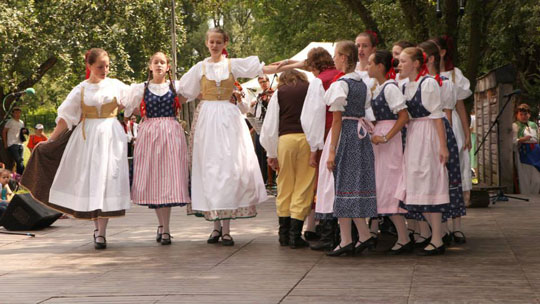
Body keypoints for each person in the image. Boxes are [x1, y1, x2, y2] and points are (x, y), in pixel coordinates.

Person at [178, 28, 284, 246]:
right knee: (210, 169)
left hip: (228, 117)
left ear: (225, 42)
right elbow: (183, 89)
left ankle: (226, 228)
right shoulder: (200, 67)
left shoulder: (232, 64)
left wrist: (291, 64)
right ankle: (215, 226)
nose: (215, 45)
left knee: (228, 168)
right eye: (211, 42)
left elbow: (263, 68)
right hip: (207, 117)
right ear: (207, 43)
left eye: (218, 42)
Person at [22, 48, 131, 250]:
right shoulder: (81, 89)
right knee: (94, 179)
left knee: (107, 180)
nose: (104, 70)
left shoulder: (116, 86)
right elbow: (66, 118)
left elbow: (133, 98)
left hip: (111, 135)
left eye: (107, 66)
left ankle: (102, 231)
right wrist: (51, 140)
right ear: (89, 66)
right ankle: (98, 230)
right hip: (88, 137)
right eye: (100, 66)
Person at [125, 51, 190, 245]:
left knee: (167, 179)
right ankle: (162, 227)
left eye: (163, 62)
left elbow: (192, 94)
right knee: (155, 179)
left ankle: (166, 228)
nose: (159, 65)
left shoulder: (176, 87)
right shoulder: (142, 89)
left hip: (170, 132)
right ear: (150, 66)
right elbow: (129, 109)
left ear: (168, 66)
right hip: (150, 133)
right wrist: (142, 112)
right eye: (156, 62)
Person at [395, 47, 449, 255]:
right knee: (416, 183)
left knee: (430, 182)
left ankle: (437, 238)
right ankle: (438, 234)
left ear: (416, 64)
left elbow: (437, 116)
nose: (399, 65)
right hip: (415, 135)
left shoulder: (428, 84)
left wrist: (442, 146)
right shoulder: (406, 85)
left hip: (428, 135)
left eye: (403, 61)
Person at [325, 40, 377, 257]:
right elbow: (367, 112)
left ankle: (350, 238)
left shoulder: (341, 85)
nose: (334, 59)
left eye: (336, 55)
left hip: (347, 135)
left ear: (344, 58)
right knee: (351, 187)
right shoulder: (362, 84)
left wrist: (331, 151)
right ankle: (359, 235)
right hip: (361, 137)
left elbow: (337, 121)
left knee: (343, 186)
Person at [260, 69, 315, 248]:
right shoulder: (310, 88)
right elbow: (315, 117)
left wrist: (271, 153)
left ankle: (283, 234)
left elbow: (271, 124)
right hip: (306, 139)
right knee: (303, 185)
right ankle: (295, 234)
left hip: (285, 140)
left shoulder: (279, 93)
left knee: (284, 184)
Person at [419, 40, 466, 245]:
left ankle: (455, 228)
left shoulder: (444, 82)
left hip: (443, 127)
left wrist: (445, 140)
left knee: (449, 176)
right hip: (426, 130)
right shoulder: (420, 81)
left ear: (429, 59)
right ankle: (441, 229)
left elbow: (447, 111)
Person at [367, 50, 411, 254]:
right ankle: (382, 231)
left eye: (370, 64)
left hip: (390, 142)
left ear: (380, 66)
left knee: (390, 186)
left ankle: (404, 237)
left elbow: (403, 116)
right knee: (381, 185)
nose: (367, 67)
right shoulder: (379, 88)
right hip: (381, 137)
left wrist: (386, 137)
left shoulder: (391, 88)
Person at [433, 36, 473, 222]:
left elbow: (460, 106)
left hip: (451, 122)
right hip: (432, 122)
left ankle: (454, 219)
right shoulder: (424, 75)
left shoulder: (454, 74)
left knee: (454, 164)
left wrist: (467, 133)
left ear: (442, 52)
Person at [251, 75, 276, 188]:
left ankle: (271, 180)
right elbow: (255, 113)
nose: (263, 84)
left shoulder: (273, 94)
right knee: (259, 153)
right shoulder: (259, 97)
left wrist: (269, 99)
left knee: (269, 153)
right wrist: (253, 105)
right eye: (261, 82)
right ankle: (263, 179)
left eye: (265, 81)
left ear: (269, 81)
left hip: (268, 128)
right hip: (259, 127)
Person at [513, 103, 540, 194]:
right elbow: (513, 142)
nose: (524, 116)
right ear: (517, 115)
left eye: (526, 114)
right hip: (523, 153)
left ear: (529, 114)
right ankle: (526, 196)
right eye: (521, 114)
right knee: (525, 178)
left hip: (535, 153)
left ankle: (535, 196)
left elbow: (537, 138)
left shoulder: (533, 125)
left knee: (537, 179)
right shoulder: (515, 126)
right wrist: (521, 140)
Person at [2, 108, 25, 174]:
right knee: (19, 160)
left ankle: (19, 176)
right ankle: (23, 174)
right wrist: (5, 143)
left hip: (20, 144)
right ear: (13, 113)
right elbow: (4, 132)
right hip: (12, 144)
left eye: (19, 113)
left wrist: (24, 132)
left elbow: (21, 132)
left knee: (20, 161)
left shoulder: (21, 122)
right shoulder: (10, 122)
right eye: (16, 113)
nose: (17, 114)